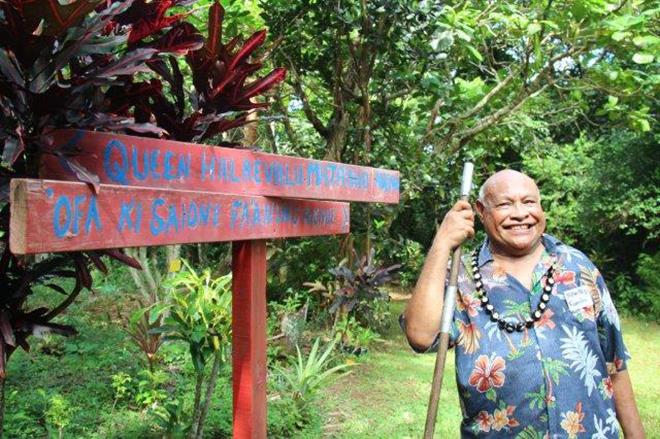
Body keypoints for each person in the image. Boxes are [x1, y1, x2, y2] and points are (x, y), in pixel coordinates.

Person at [402, 170, 645, 438]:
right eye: (505, 204)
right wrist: (442, 243)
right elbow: (420, 336)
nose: (520, 214)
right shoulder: (461, 277)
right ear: (481, 211)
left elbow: (616, 366)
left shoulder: (577, 266)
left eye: (529, 202)